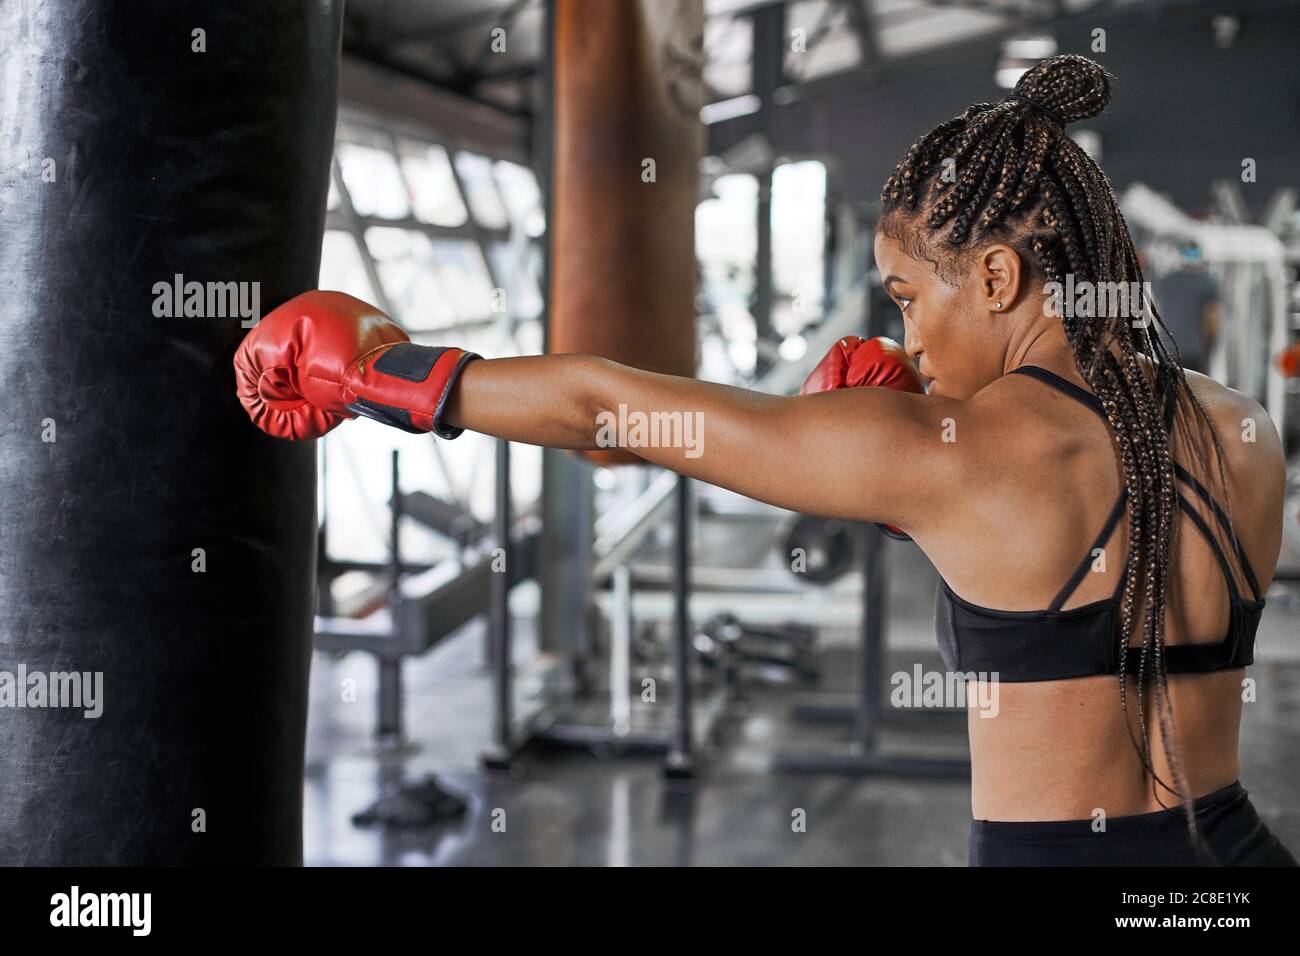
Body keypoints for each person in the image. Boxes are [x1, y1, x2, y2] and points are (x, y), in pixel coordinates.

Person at [235, 55, 1295, 866]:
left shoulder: (943, 454)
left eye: (909, 299)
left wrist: (384, 371)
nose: (908, 340)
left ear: (999, 274)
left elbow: (614, 412)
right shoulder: (1242, 428)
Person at [1152, 240, 1221, 374]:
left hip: (1165, 347)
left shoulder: (1165, 281)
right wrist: (1208, 352)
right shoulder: (1207, 284)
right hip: (1193, 352)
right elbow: (1211, 322)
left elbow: (1156, 315)